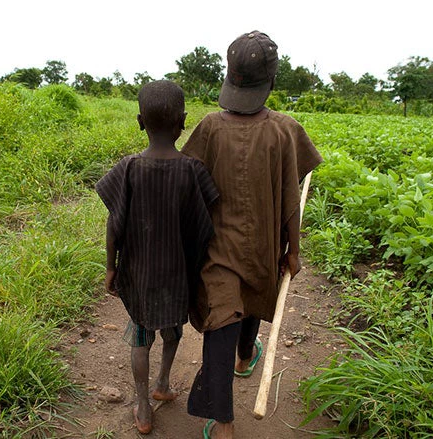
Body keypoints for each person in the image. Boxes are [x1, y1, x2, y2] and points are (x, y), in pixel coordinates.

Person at [182, 31, 323, 439]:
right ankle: (244, 360)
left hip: (217, 250)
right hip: (264, 246)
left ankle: (225, 416)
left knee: (222, 318)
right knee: (254, 298)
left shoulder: (209, 128)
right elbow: (291, 200)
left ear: (230, 76)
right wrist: (293, 251)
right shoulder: (285, 129)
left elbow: (188, 184)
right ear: (272, 81)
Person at [95, 80, 219, 435]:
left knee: (140, 337)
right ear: (183, 121)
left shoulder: (128, 168)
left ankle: (144, 406)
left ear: (140, 122)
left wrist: (110, 268)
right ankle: (162, 382)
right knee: (173, 331)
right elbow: (206, 224)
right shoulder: (193, 170)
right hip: (177, 275)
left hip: (138, 276)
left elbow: (113, 224)